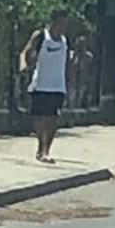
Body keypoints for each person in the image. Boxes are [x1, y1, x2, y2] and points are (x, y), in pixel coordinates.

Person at [20, 9, 71, 163]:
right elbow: (25, 51)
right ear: (54, 21)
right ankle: (40, 147)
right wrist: (24, 65)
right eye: (61, 22)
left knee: (53, 119)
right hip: (41, 83)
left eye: (65, 23)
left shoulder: (64, 41)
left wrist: (70, 80)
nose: (63, 26)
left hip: (58, 86)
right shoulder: (41, 36)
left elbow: (66, 62)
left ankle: (46, 150)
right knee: (40, 118)